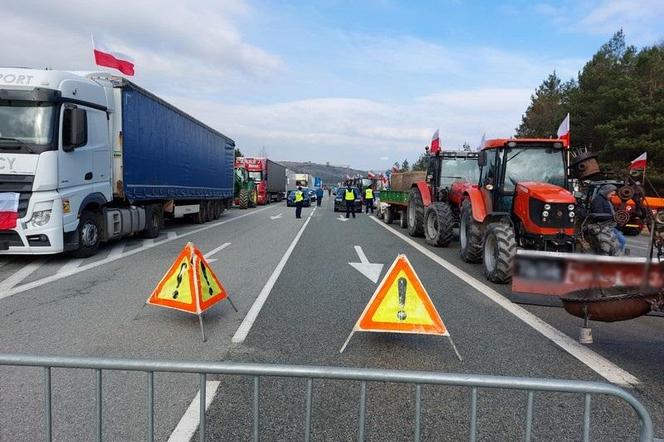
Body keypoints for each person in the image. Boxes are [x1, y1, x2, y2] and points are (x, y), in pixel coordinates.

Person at [590, 184, 626, 252]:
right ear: (606, 192)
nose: (612, 196)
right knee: (622, 241)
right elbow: (598, 214)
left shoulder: (607, 200)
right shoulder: (598, 200)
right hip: (603, 226)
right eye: (611, 194)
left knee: (622, 240)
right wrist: (613, 217)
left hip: (610, 225)